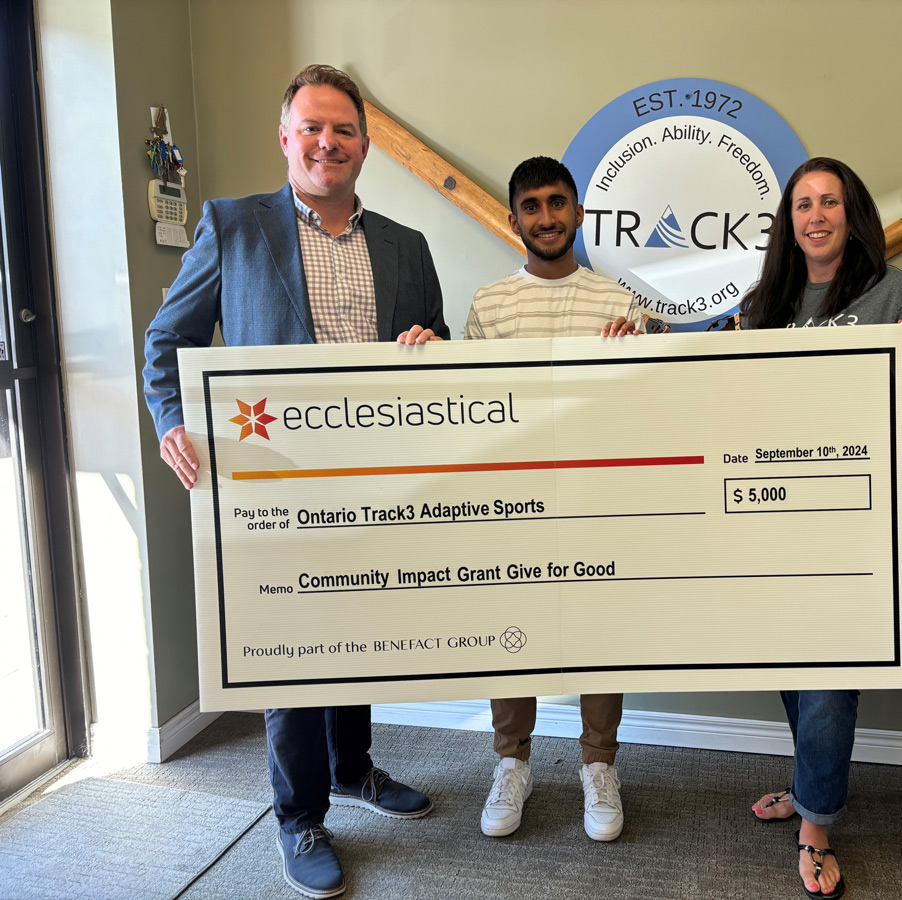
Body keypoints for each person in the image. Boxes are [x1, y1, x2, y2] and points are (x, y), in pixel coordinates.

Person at [143, 64, 448, 899]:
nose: (326, 142)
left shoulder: (406, 247)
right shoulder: (232, 227)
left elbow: (440, 348)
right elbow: (166, 338)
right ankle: (298, 815)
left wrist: (430, 345)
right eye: (311, 127)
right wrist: (171, 419)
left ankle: (355, 769)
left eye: (342, 129)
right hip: (268, 481)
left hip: (375, 484)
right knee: (287, 652)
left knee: (357, 633)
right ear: (286, 139)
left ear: (364, 145)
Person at [740, 157, 902, 900]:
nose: (816, 215)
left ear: (852, 212)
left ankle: (817, 825)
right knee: (792, 671)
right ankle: (809, 787)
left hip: (858, 523)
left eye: (830, 202)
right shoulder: (766, 300)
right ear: (788, 220)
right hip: (777, 519)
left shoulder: (898, 293)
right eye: (803, 204)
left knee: (831, 677)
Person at [465, 156, 642, 842]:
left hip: (596, 493)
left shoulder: (617, 301)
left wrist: (639, 355)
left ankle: (598, 765)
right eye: (532, 206)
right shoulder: (488, 303)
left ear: (578, 212)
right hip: (514, 498)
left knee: (599, 626)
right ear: (514, 219)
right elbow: (470, 407)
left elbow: (646, 404)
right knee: (515, 628)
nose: (546, 217)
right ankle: (512, 762)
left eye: (557, 203)